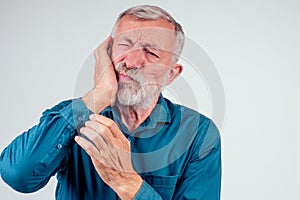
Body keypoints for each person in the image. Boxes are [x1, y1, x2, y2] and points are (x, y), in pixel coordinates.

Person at [0, 5, 221, 200]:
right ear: (106, 53)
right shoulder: (70, 115)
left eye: (151, 52)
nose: (132, 62)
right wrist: (99, 94)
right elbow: (17, 176)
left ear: (171, 74)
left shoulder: (198, 134)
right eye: (125, 45)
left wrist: (128, 184)